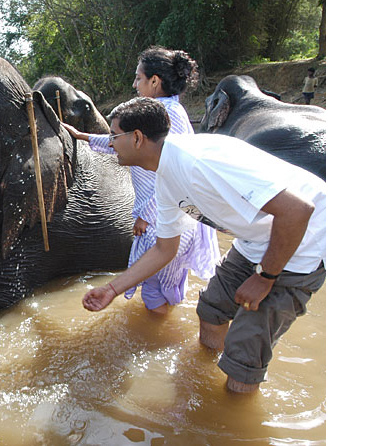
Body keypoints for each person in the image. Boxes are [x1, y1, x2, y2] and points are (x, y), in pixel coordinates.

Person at [82, 97, 326, 393]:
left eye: (114, 136)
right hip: (256, 240)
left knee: (245, 350)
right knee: (211, 310)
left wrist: (265, 277)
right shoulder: (167, 178)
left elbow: (298, 210)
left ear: (136, 138)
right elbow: (164, 250)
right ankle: (205, 383)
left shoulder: (200, 163)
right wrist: (112, 289)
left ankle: (235, 404)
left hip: (302, 244)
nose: (110, 144)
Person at [63, 46, 220, 315]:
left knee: (154, 288)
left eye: (139, 78)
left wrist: (145, 216)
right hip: (176, 214)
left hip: (166, 216)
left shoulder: (163, 115)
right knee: (164, 283)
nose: (135, 84)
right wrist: (83, 137)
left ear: (155, 81)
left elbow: (173, 174)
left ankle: (156, 340)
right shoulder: (169, 111)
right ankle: (163, 331)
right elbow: (121, 142)